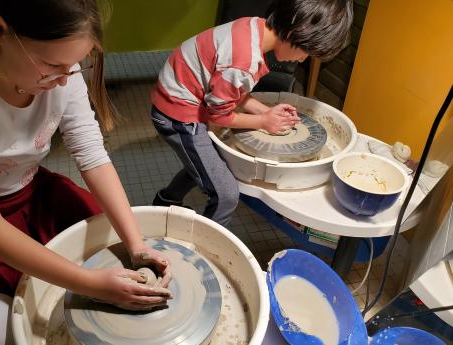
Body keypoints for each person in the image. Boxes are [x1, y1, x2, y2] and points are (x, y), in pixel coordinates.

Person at [0, 0, 172, 344]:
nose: (63, 81)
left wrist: (138, 246)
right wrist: (90, 285)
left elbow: (92, 156)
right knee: (3, 335)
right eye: (51, 66)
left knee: (116, 243)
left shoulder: (63, 73)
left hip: (32, 192)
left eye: (71, 67)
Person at [150, 0, 353, 227]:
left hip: (179, 91)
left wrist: (265, 111)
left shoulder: (253, 27)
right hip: (177, 113)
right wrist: (263, 122)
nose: (303, 59)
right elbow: (218, 115)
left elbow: (233, 92)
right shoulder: (243, 62)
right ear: (299, 32)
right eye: (307, 51)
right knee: (226, 195)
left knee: (203, 164)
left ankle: (164, 201)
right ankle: (202, 249)